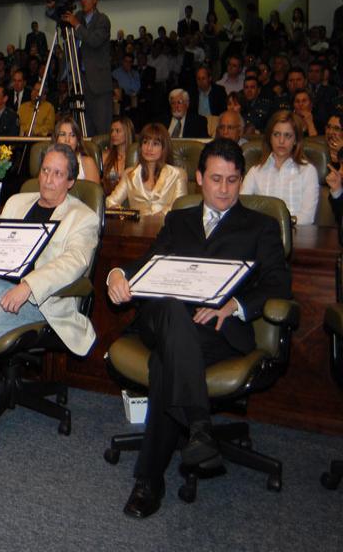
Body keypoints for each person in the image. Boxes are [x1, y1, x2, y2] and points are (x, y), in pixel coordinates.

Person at [107, 138, 290, 518]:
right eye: (216, 179)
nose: (224, 189)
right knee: (172, 310)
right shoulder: (179, 219)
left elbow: (278, 285)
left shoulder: (262, 226)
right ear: (199, 178)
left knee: (164, 364)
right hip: (164, 318)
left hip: (217, 331)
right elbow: (147, 263)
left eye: (233, 180)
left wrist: (235, 305)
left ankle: (149, 481)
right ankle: (200, 427)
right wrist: (117, 274)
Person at [0, 143, 99, 441]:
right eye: (46, 170)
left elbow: (73, 264)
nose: (49, 179)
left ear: (71, 182)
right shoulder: (17, 202)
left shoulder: (83, 217)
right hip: (1, 281)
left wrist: (29, 286)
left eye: (58, 174)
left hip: (42, 298)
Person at [241, 111, 318, 225]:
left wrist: (281, 224)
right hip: (262, 235)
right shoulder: (255, 172)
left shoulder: (307, 171)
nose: (281, 141)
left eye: (287, 135)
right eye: (276, 134)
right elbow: (242, 207)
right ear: (270, 138)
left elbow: (308, 217)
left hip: (296, 234)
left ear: (296, 140)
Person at [61, 0, 112, 137]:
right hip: (80, 82)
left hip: (98, 84)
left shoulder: (102, 20)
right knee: (84, 130)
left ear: (95, 0)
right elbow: (61, 19)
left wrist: (76, 25)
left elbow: (94, 41)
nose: (83, 1)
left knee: (102, 129)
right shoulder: (78, 17)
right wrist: (53, 8)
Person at [106, 123, 187, 217]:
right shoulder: (129, 174)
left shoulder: (177, 174)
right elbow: (110, 201)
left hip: (166, 227)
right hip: (136, 229)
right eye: (145, 142)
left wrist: (160, 216)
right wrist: (127, 215)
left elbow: (180, 207)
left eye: (155, 144)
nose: (149, 148)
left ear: (164, 148)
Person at [53, 115, 100, 183]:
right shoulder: (48, 162)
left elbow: (94, 192)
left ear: (77, 141)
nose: (67, 140)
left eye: (72, 135)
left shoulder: (87, 163)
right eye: (63, 134)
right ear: (56, 139)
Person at [102, 117, 136, 195]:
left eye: (117, 131)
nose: (113, 134)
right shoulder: (105, 156)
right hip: (109, 199)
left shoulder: (136, 157)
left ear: (127, 133)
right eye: (112, 131)